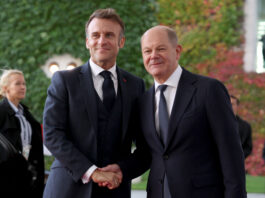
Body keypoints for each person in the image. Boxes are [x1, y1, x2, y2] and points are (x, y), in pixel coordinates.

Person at [126, 25, 246, 198]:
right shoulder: (143, 102)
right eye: (147, 51)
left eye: (161, 48)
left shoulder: (209, 90)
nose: (153, 56)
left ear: (177, 51)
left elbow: (231, 154)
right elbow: (147, 154)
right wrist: (119, 170)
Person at [43, 8, 148, 198]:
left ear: (121, 41)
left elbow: (146, 145)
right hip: (68, 189)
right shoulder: (64, 81)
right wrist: (92, 171)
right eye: (95, 35)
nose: (102, 40)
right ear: (87, 42)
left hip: (115, 191)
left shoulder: (136, 85)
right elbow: (52, 135)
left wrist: (122, 169)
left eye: (109, 35)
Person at [0, 69, 45, 198]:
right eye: (17, 83)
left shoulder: (26, 115)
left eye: (24, 84)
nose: (23, 87)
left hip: (26, 177)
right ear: (6, 88)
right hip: (6, 178)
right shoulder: (1, 112)